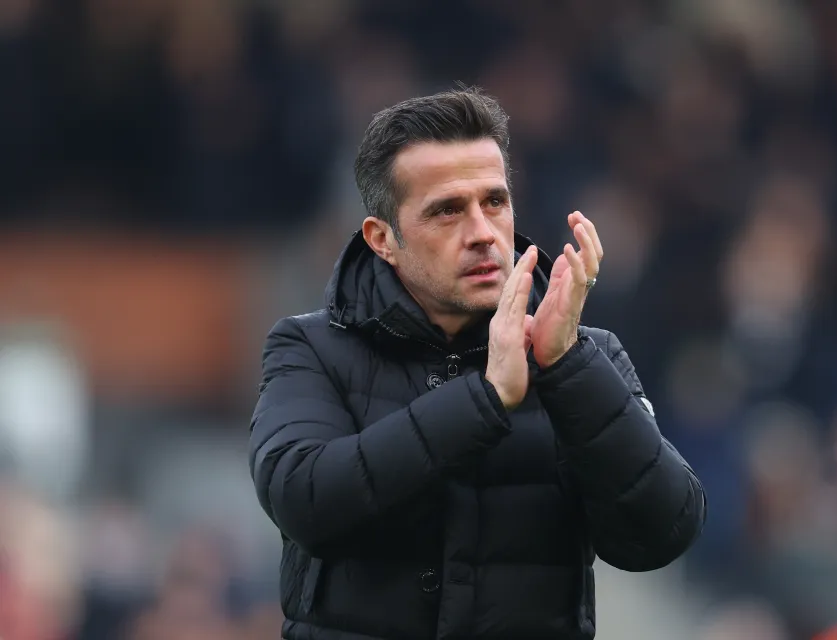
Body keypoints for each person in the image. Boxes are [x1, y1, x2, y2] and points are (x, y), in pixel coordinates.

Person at [249, 86, 706, 640]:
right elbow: (305, 504)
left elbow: (662, 533)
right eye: (447, 210)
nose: (483, 233)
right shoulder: (311, 347)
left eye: (494, 202)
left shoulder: (587, 358)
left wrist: (565, 366)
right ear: (382, 239)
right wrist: (484, 399)